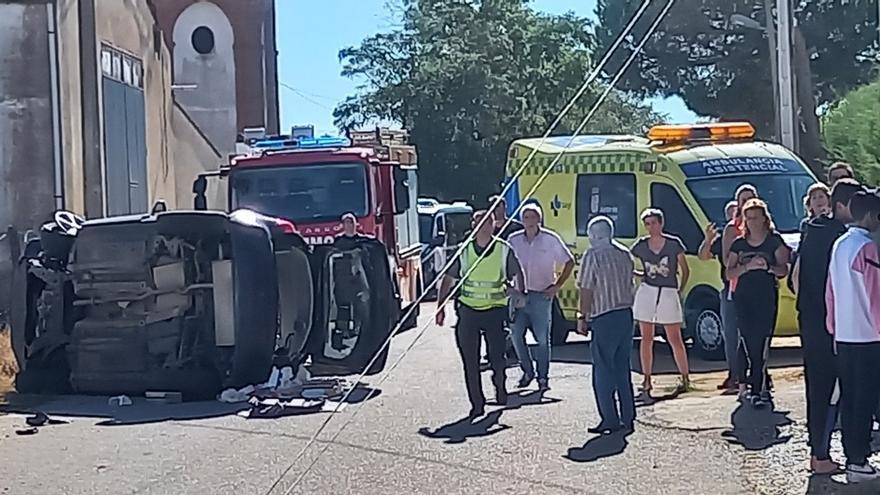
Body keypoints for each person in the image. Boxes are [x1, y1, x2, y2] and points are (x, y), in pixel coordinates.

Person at [796, 178, 863, 475]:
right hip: (831, 323)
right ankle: (821, 454)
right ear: (843, 205)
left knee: (821, 389)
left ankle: (820, 451)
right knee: (832, 389)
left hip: (812, 319)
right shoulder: (839, 235)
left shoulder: (812, 230)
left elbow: (797, 276)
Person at [436, 210, 524, 418]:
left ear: (494, 225)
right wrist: (440, 306)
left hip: (494, 311)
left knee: (497, 356)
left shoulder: (503, 249)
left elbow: (517, 273)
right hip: (468, 311)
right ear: (473, 225)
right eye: (479, 222)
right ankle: (477, 403)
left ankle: (500, 386)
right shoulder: (464, 250)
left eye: (488, 222)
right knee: (470, 360)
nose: (483, 226)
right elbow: (448, 278)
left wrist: (520, 293)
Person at [826, 188, 880, 482]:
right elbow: (875, 295)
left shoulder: (840, 245)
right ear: (871, 215)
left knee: (851, 399)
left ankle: (854, 457)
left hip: (845, 334)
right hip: (868, 335)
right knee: (865, 399)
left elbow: (830, 290)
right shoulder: (867, 248)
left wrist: (833, 325)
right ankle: (858, 459)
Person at [726, 199, 790, 408]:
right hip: (744, 298)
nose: (752, 222)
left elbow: (783, 269)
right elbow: (728, 272)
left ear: (764, 218)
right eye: (748, 218)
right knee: (747, 340)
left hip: (766, 297)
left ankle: (758, 388)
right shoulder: (739, 244)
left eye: (756, 217)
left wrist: (768, 267)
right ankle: (753, 386)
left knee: (761, 342)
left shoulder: (774, 241)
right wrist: (747, 267)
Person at [577, 216, 636, 434]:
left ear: (593, 235)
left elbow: (586, 288)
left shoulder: (593, 255)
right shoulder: (624, 253)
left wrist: (582, 316)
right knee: (622, 368)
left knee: (602, 369)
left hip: (604, 316)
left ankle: (609, 418)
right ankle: (628, 416)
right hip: (625, 314)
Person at [507, 204, 575, 391]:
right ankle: (527, 371)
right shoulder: (513, 240)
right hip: (518, 294)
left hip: (541, 294)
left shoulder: (550, 239)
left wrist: (557, 286)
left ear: (539, 219)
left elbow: (569, 261)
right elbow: (504, 264)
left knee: (542, 339)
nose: (529, 220)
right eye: (526, 217)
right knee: (516, 335)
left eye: (532, 217)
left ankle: (543, 377)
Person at [630, 208, 691, 397]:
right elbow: (628, 261)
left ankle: (685, 377)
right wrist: (638, 274)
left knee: (674, 337)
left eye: (654, 223)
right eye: (647, 224)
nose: (651, 227)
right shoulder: (641, 245)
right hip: (648, 290)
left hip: (668, 290)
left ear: (661, 223)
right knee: (646, 338)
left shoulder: (673, 244)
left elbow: (685, 269)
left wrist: (679, 288)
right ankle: (647, 378)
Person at [698, 200, 740, 392]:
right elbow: (704, 255)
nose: (734, 216)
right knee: (730, 334)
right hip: (729, 289)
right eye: (731, 213)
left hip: (754, 289)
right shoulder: (724, 236)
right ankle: (734, 374)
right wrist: (708, 240)